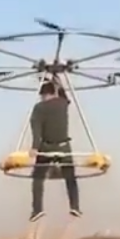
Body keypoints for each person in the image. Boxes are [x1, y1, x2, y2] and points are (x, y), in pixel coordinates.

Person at [29, 79, 81, 223]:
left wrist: (34, 147)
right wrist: (56, 79)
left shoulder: (39, 108)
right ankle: (75, 206)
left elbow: (36, 129)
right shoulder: (62, 103)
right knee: (70, 176)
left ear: (44, 94)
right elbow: (63, 93)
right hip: (63, 146)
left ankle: (37, 209)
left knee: (38, 177)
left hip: (46, 147)